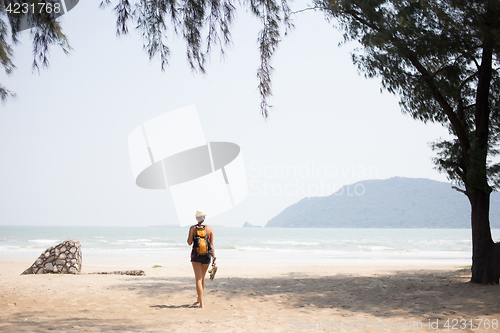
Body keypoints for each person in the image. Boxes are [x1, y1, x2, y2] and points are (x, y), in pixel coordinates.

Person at [187, 210, 216, 308]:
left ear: (196, 218)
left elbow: (189, 243)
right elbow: (211, 245)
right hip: (206, 256)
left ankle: (201, 303)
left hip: (196, 256)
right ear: (204, 218)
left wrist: (191, 233)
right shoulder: (210, 229)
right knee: (202, 278)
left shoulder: (193, 228)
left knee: (198, 279)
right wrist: (214, 258)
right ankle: (199, 299)